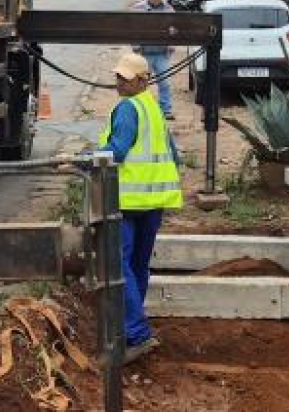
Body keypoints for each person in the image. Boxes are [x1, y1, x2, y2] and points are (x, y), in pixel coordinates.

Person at [98, 52, 183, 365]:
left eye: (125, 77)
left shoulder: (127, 109)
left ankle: (136, 332)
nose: (119, 81)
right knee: (137, 265)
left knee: (120, 266)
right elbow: (173, 154)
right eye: (118, 75)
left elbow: (116, 151)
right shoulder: (154, 108)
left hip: (128, 200)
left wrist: (85, 157)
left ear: (143, 80)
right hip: (154, 201)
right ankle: (131, 325)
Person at [133, 0, 175, 120]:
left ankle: (166, 110)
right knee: (141, 84)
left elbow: (175, 29)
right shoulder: (138, 8)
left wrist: (172, 44)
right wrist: (136, 47)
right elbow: (131, 28)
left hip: (161, 53)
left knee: (165, 83)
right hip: (144, 53)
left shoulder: (169, 9)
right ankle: (142, 109)